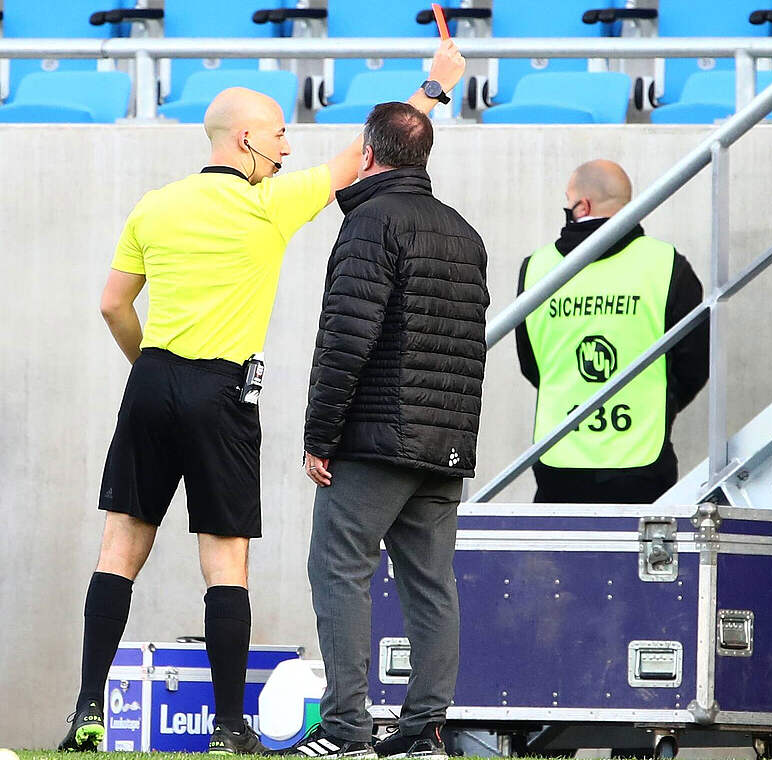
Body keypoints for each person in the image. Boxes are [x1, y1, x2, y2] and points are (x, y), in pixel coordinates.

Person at [58, 41, 467, 755]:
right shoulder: (270, 205)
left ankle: (87, 712)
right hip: (223, 393)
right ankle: (226, 729)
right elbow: (370, 153)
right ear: (245, 139)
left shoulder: (154, 205)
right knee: (227, 561)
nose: (287, 145)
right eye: (279, 132)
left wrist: (148, 363)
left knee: (119, 549)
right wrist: (435, 85)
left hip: (150, 381)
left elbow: (112, 304)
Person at [287, 100, 488, 760]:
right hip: (445, 444)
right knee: (431, 585)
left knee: (337, 569)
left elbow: (347, 341)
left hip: (376, 440)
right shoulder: (464, 232)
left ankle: (346, 729)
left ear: (369, 154)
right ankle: (424, 731)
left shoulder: (370, 223)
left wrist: (321, 435)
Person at [514, 159, 707, 503]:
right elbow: (694, 364)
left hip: (559, 459)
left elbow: (532, 363)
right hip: (642, 460)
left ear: (582, 206)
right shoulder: (667, 265)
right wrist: (657, 403)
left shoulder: (537, 268)